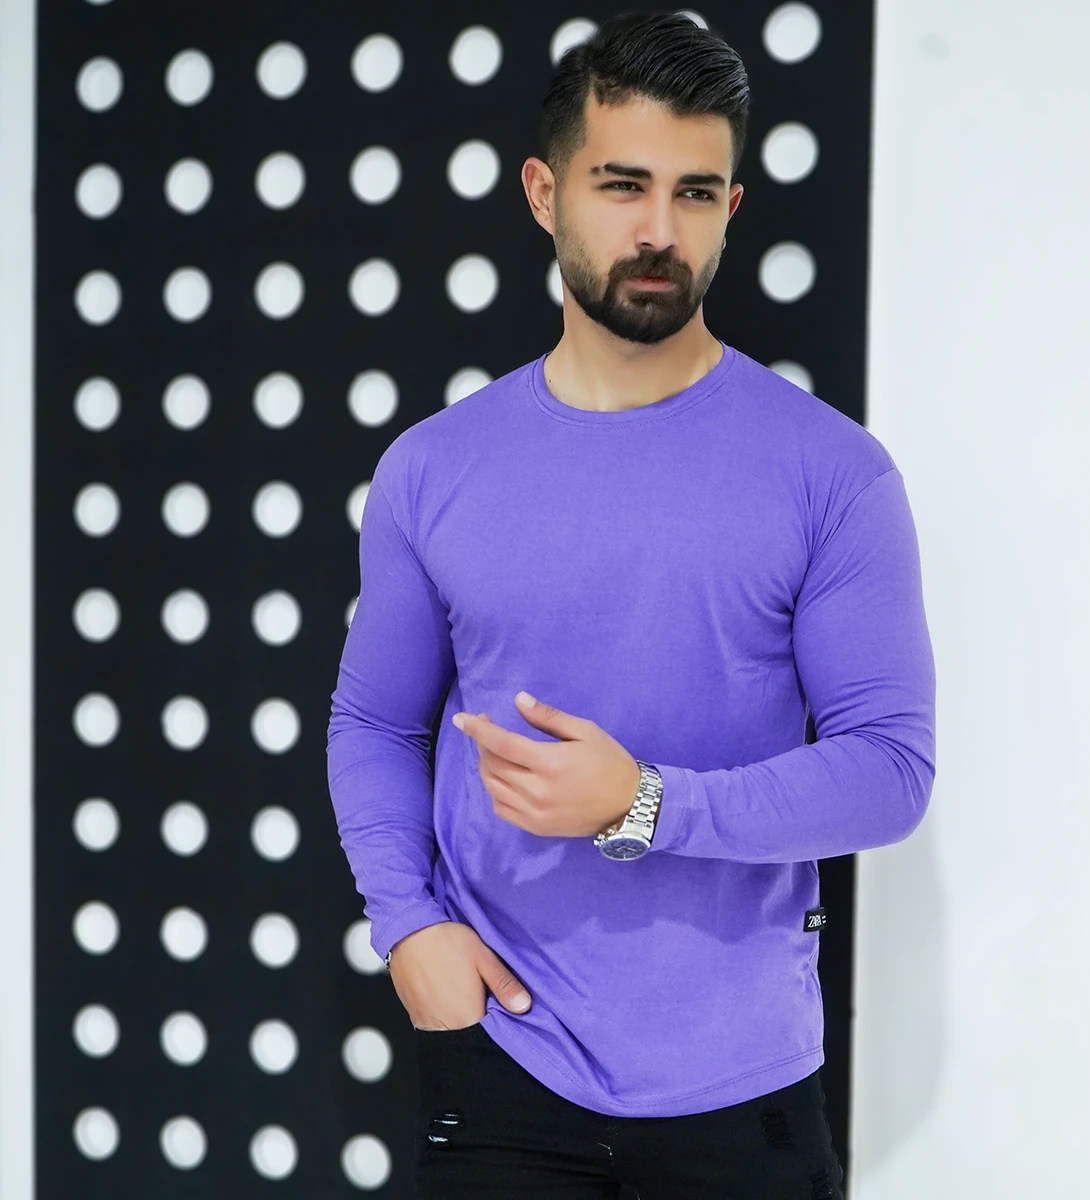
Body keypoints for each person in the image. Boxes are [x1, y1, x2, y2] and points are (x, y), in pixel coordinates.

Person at [326, 11, 935, 1198]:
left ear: (731, 208)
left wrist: (647, 804)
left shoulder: (833, 474)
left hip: (745, 1099)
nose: (660, 231)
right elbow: (375, 723)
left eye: (695, 193)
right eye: (622, 185)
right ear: (544, 193)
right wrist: (407, 926)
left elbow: (890, 770)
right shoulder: (432, 471)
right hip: (500, 1068)